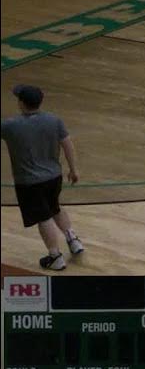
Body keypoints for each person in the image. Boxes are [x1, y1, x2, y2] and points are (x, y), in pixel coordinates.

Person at [1, 85, 84, 271]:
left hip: (29, 182)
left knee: (43, 217)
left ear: (21, 103)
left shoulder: (11, 126)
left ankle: (55, 256)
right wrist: (73, 169)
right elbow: (67, 144)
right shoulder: (54, 120)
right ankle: (73, 239)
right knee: (55, 207)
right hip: (54, 176)